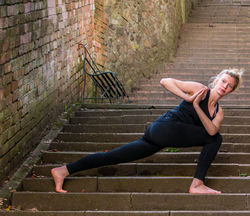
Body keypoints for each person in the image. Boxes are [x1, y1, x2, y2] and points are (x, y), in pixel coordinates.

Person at [51, 68, 243, 194]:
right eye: (223, 81)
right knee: (215, 139)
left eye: (229, 86)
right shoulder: (199, 89)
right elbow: (165, 81)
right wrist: (187, 97)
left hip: (159, 138)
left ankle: (63, 170)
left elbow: (211, 130)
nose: (225, 86)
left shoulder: (219, 113)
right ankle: (197, 184)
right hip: (164, 127)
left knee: (115, 156)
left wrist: (196, 107)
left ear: (231, 91)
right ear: (217, 79)